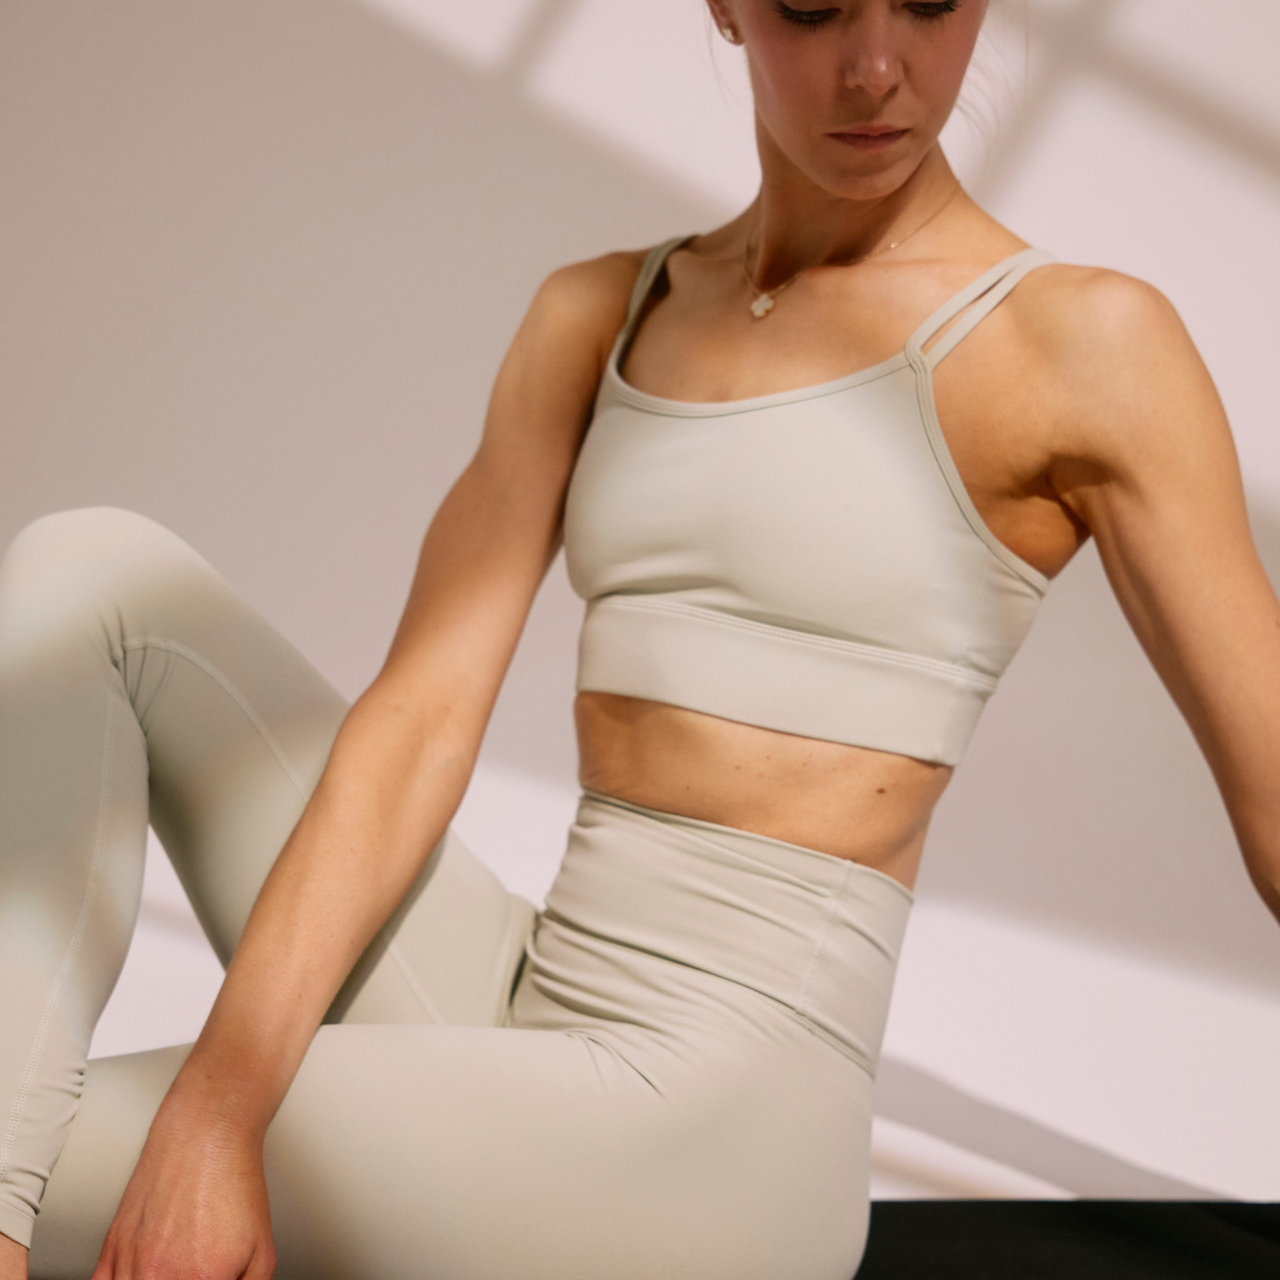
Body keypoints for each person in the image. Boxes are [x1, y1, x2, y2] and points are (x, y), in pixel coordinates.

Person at [2, 1, 1278, 1276]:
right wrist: (220, 1098)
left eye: (931, 2)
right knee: (97, 571)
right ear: (724, 5)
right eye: (812, 7)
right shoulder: (598, 314)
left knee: (27, 1153)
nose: (876, 67)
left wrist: (220, 1120)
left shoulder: (1081, 343)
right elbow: (418, 720)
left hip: (722, 1127)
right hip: (528, 1009)